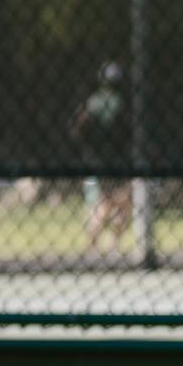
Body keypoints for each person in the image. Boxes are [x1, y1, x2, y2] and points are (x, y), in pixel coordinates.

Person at [70, 62, 131, 252]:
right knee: (121, 204)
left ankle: (93, 246)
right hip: (118, 162)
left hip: (96, 161)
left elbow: (77, 129)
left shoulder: (93, 102)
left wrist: (89, 147)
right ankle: (112, 244)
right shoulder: (122, 103)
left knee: (101, 204)